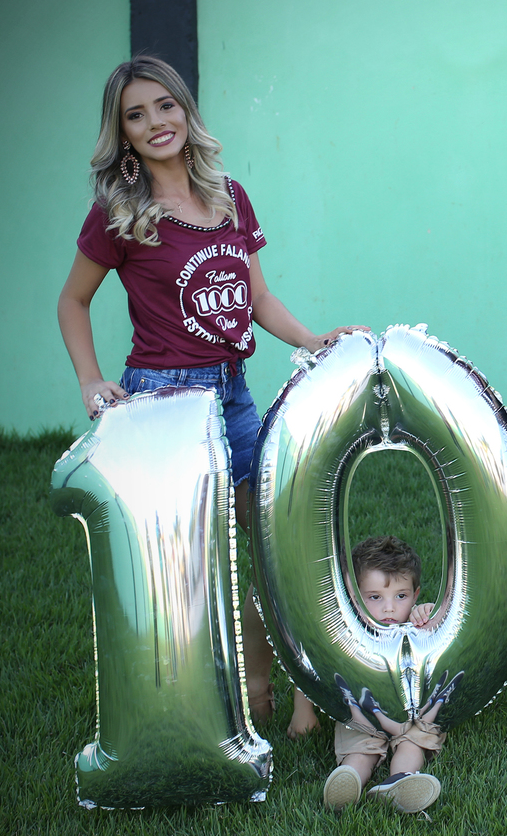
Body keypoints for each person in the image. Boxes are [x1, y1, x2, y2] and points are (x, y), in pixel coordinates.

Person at [56, 55, 365, 737]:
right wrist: (90, 379)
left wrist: (312, 339)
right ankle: (222, 700)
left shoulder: (229, 196)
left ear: (186, 110)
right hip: (164, 403)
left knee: (275, 542)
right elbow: (72, 302)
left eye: (165, 106)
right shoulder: (120, 212)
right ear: (122, 133)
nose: (155, 123)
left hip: (233, 395)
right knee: (195, 565)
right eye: (136, 115)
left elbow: (257, 297)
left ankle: (293, 691)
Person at [323, 536, 461, 813]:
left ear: (415, 594)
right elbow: (316, 664)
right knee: (360, 748)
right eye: (375, 597)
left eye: (401, 596)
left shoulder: (416, 622)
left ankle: (399, 781)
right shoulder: (350, 629)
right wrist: (303, 712)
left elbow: (440, 633)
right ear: (354, 596)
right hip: (363, 714)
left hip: (412, 716)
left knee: (413, 742)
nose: (389, 608)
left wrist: (428, 615)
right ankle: (351, 778)